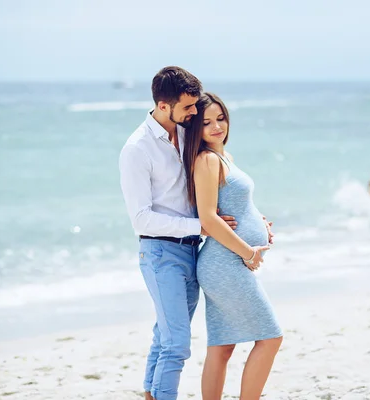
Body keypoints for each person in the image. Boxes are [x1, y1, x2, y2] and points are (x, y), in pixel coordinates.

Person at [118, 66, 238, 400]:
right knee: (177, 345)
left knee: (165, 335)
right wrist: (199, 225)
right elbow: (141, 219)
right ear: (163, 105)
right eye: (187, 107)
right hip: (160, 254)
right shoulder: (137, 149)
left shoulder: (187, 134)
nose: (194, 113)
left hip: (191, 252)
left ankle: (151, 393)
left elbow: (211, 186)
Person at [183, 92, 283, 400]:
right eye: (206, 122)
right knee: (271, 337)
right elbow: (209, 219)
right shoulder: (207, 159)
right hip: (223, 264)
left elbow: (235, 204)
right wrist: (249, 251)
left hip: (226, 262)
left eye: (220, 118)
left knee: (223, 345)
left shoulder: (224, 156)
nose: (216, 127)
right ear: (195, 128)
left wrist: (258, 221)